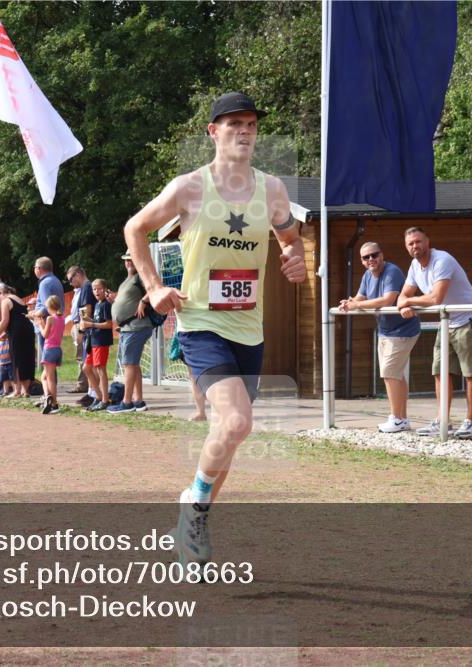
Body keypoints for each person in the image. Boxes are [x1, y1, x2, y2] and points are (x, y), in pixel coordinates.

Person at [124, 91, 306, 566]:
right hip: (201, 323)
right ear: (213, 131)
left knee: (229, 433)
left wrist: (297, 259)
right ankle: (194, 508)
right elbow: (135, 229)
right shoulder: (188, 188)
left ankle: (191, 519)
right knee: (237, 421)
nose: (245, 131)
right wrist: (155, 286)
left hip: (250, 327)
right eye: (234, 124)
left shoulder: (272, 190)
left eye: (251, 124)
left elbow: (290, 235)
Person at [398, 227, 472, 439]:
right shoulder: (414, 266)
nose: (415, 246)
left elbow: (436, 297)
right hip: (446, 321)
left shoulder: (442, 260)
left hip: (467, 317)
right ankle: (442, 420)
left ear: (428, 241)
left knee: (470, 373)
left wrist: (408, 302)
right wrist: (404, 303)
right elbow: (403, 295)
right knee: (439, 371)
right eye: (410, 244)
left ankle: (470, 421)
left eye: (418, 241)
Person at [339, 241, 421, 433]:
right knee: (395, 375)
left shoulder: (392, 272)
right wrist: (349, 302)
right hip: (385, 331)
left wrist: (357, 305)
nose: (371, 260)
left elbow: (387, 300)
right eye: (366, 257)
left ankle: (396, 418)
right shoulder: (368, 275)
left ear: (382, 255)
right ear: (361, 261)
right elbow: (360, 297)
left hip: (403, 330)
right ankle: (402, 419)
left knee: (389, 373)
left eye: (374, 255)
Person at [108, 253, 154, 414]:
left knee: (129, 364)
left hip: (136, 326)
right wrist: (115, 300)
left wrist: (143, 301)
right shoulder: (127, 281)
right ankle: (138, 400)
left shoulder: (140, 276)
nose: (129, 262)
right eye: (127, 259)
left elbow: (155, 288)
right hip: (128, 327)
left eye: (132, 258)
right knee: (133, 364)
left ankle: (127, 402)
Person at [0, 284, 35, 398]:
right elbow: (18, 317)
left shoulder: (5, 301)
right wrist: (4, 333)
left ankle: (17, 391)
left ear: (1, 293)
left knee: (16, 359)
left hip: (17, 332)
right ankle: (25, 390)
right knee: (27, 358)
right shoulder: (18, 299)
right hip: (28, 329)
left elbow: (5, 321)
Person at [82, 279, 113, 411]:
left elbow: (109, 324)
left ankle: (105, 400)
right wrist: (87, 319)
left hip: (101, 341)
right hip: (93, 341)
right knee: (86, 368)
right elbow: (97, 320)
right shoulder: (97, 304)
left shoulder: (106, 304)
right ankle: (99, 396)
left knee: (101, 369)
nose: (96, 292)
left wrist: (92, 324)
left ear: (105, 289)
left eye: (99, 289)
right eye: (94, 289)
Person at [66, 265, 95, 404]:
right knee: (87, 362)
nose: (71, 283)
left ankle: (93, 392)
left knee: (87, 363)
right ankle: (92, 392)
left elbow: (86, 310)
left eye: (71, 280)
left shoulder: (87, 287)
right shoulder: (85, 288)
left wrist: (81, 330)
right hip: (85, 326)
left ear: (78, 275)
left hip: (86, 328)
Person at [29, 257, 65, 363]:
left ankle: (50, 380)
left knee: (48, 363)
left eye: (35, 267)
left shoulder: (45, 283)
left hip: (46, 325)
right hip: (56, 323)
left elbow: (46, 306)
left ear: (39, 269)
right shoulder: (55, 280)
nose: (34, 270)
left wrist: (34, 314)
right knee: (52, 364)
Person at [36, 295, 65, 414]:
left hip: (49, 349)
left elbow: (45, 335)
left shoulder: (50, 319)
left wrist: (39, 324)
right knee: (43, 377)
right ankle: (48, 396)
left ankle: (54, 403)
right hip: (57, 349)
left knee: (50, 379)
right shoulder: (61, 318)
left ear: (50, 306)